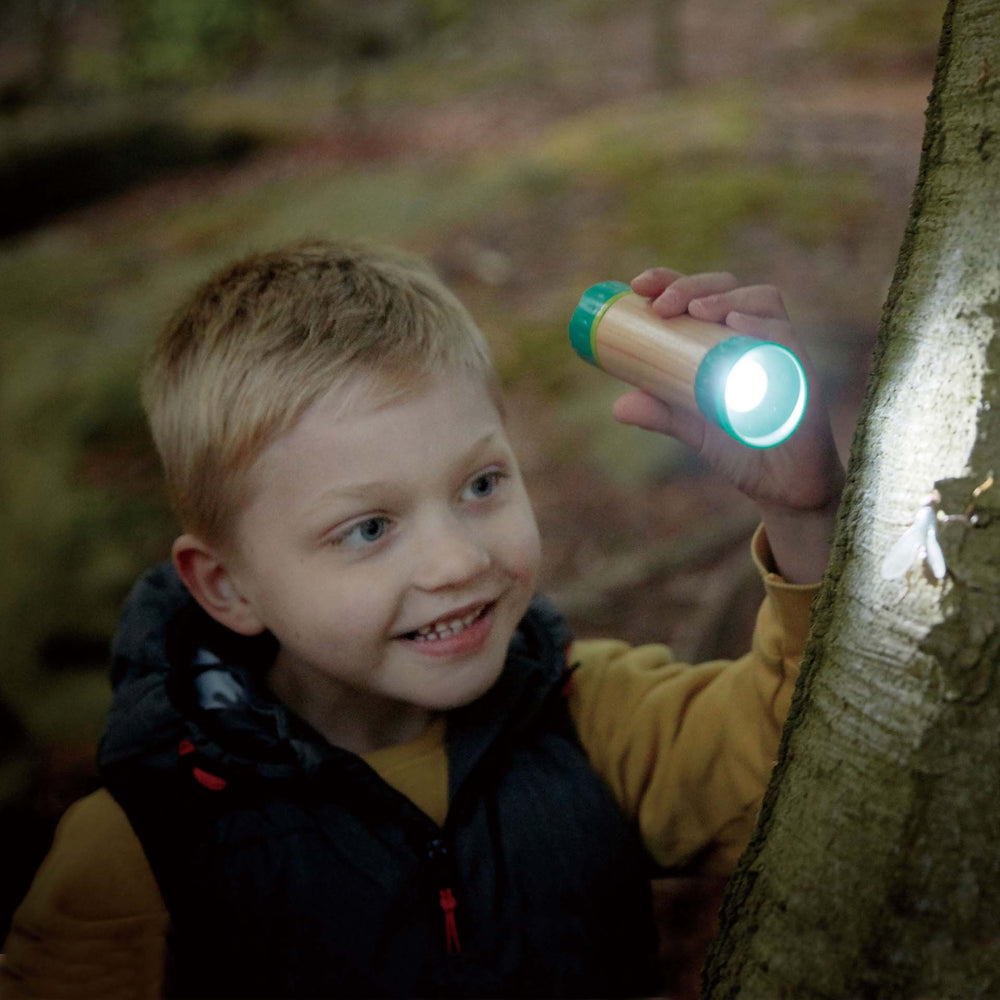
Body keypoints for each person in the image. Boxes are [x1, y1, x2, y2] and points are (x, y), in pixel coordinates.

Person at [0, 241, 844, 999]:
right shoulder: (137, 857)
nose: (457, 563)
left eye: (480, 485)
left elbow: (805, 763)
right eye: (368, 529)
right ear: (228, 588)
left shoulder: (593, 719)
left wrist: (808, 515)